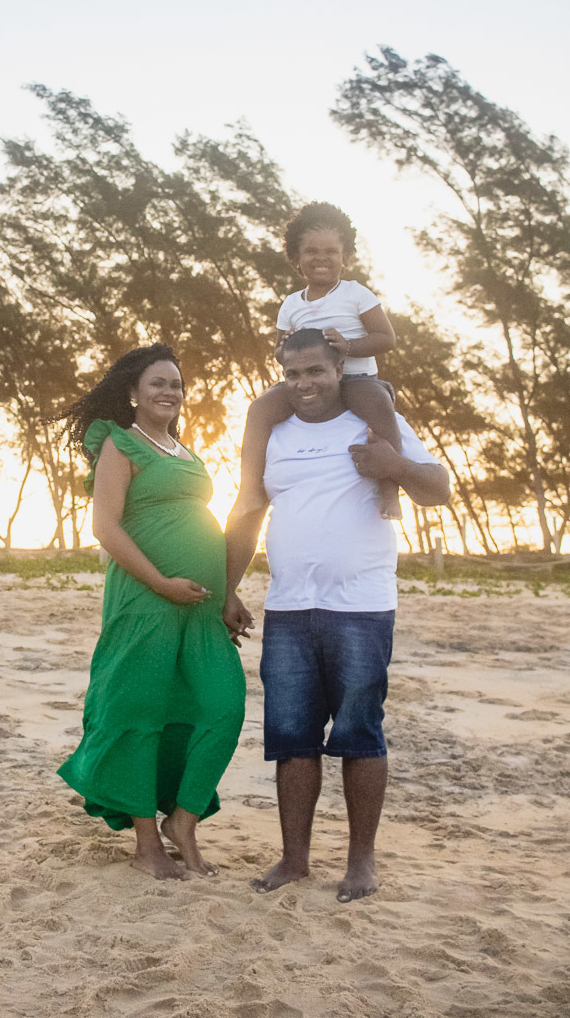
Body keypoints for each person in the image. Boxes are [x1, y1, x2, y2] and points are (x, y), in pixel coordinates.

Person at [223, 328, 449, 903]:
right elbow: (248, 509)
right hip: (290, 609)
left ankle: (361, 863)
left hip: (362, 608)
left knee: (359, 734)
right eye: (292, 374)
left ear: (340, 366)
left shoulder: (373, 422)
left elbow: (439, 489)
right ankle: (294, 860)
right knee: (292, 738)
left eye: (315, 372)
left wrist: (391, 463)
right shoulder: (272, 433)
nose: (304, 384)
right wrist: (228, 587)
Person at [57, 344, 246, 881]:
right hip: (146, 601)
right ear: (133, 393)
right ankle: (147, 844)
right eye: (158, 383)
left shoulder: (183, 450)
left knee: (223, 704)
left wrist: (228, 592)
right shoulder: (121, 445)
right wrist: (162, 582)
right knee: (139, 712)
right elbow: (106, 528)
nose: (170, 392)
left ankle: (183, 820)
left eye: (177, 385)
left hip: (202, 608)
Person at [240, 201, 403, 520]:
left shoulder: (357, 294)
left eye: (331, 251)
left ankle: (390, 490)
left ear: (346, 257)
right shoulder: (290, 305)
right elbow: (278, 352)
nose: (321, 258)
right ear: (296, 259)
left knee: (379, 404)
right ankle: (250, 488)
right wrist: (285, 348)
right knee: (259, 409)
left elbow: (386, 338)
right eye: (311, 251)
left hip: (356, 380)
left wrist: (348, 346)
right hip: (307, 383)